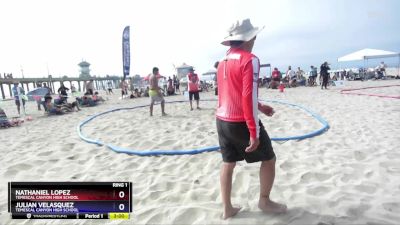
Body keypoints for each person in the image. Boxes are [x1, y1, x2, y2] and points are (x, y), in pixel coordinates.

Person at [216, 18, 287, 220]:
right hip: (241, 121)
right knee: (269, 158)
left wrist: (260, 106)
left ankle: (227, 208)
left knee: (228, 163)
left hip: (221, 120)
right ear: (249, 38)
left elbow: (231, 92)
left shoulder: (222, 61)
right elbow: (246, 95)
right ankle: (264, 200)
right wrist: (253, 132)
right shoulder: (250, 59)